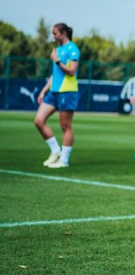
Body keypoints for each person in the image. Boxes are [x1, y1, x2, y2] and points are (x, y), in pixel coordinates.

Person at [34, 22, 79, 169]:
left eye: (55, 33)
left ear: (63, 33)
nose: (53, 36)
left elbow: (71, 70)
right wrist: (44, 90)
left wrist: (57, 60)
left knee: (65, 126)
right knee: (39, 121)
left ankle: (64, 161)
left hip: (67, 91)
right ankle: (55, 151)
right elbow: (55, 74)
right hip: (54, 91)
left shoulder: (72, 49)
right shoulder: (58, 49)